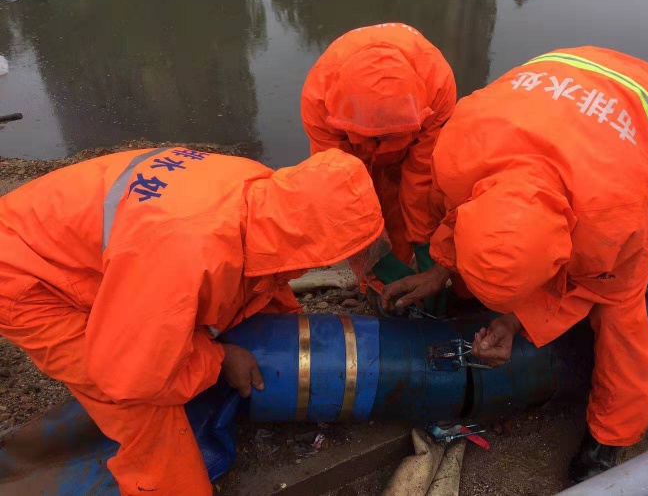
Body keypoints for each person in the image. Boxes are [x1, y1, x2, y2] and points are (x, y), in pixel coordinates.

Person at [382, 46, 648, 482]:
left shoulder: (612, 223)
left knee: (620, 311)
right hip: (564, 78)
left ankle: (611, 436)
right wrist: (441, 269)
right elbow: (456, 212)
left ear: (565, 251)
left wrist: (514, 323)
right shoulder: (456, 150)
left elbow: (590, 286)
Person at [0, 147, 385, 495]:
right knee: (145, 410)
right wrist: (219, 360)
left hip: (84, 242)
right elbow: (134, 377)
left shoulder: (262, 189)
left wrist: (282, 333)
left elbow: (266, 271)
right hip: (28, 277)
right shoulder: (186, 255)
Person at [301, 23, 456, 312]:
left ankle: (410, 282)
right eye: (376, 137)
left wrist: (430, 256)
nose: (382, 142)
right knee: (361, 208)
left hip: (411, 148)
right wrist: (371, 260)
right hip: (352, 148)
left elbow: (421, 178)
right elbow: (337, 187)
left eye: (389, 136)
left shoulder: (437, 84)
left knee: (412, 202)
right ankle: (374, 284)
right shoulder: (319, 99)